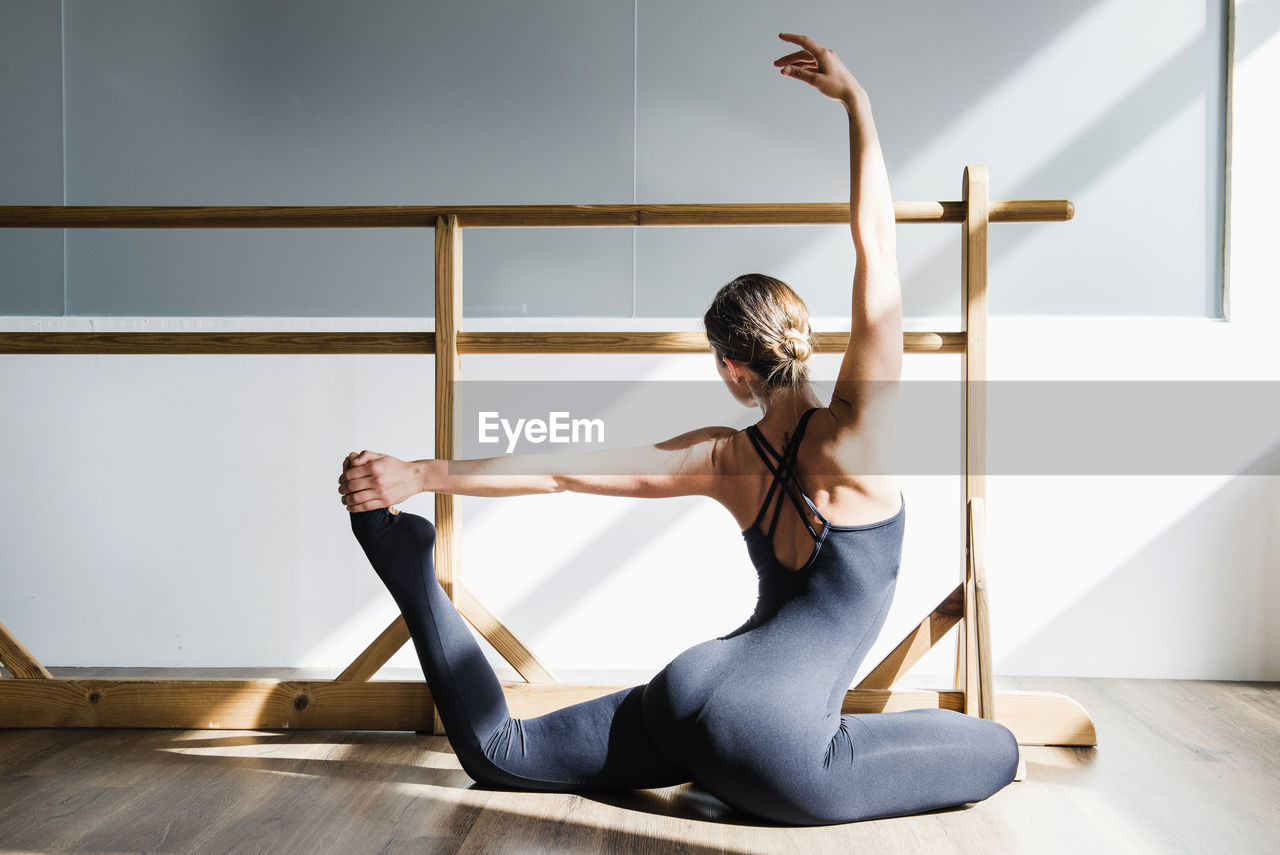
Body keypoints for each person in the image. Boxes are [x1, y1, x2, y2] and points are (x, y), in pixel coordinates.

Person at [336, 33, 1019, 825]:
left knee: (502, 751)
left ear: (732, 368)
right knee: (995, 748)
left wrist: (421, 473)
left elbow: (562, 469)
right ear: (801, 338)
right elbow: (881, 255)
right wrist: (856, 103)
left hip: (692, 689)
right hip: (775, 749)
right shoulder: (858, 434)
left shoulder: (721, 456)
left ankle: (408, 563)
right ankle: (781, 753)